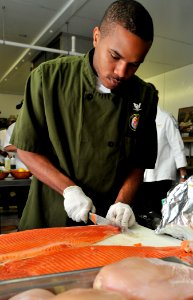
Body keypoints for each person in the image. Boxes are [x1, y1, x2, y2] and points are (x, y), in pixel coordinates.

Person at [11, 0, 158, 231]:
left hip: (107, 223)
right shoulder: (48, 78)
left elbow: (139, 163)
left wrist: (122, 202)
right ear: (97, 37)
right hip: (50, 218)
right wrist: (69, 190)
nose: (121, 72)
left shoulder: (145, 96)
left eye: (134, 65)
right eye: (115, 56)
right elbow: (26, 148)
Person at [133, 105, 188, 226]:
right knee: (145, 213)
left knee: (160, 212)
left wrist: (183, 175)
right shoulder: (140, 118)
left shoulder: (166, 118)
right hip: (144, 175)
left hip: (162, 175)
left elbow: (177, 146)